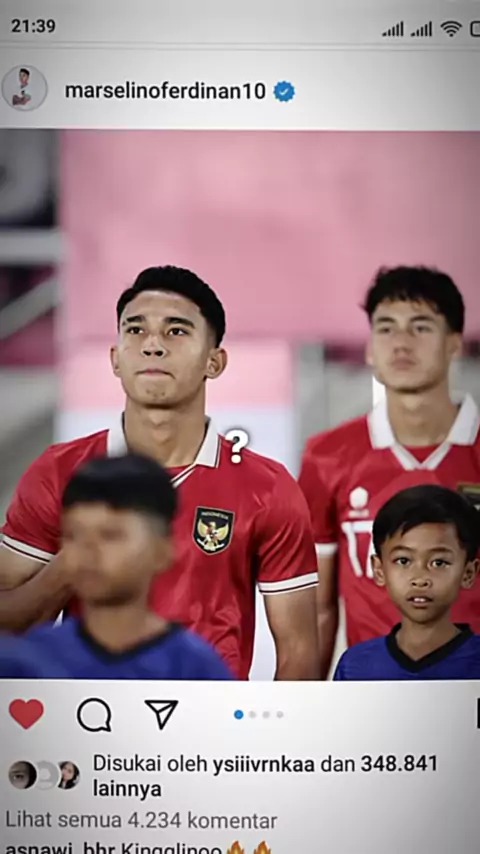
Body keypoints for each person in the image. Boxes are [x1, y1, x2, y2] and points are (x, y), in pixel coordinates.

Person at [0, 266, 319, 680]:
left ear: (214, 361)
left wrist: (253, 726)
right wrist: (74, 560)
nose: (152, 345)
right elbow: (7, 622)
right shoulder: (58, 471)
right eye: (135, 330)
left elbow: (298, 649)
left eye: (176, 331)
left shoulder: (268, 487)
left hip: (211, 714)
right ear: (115, 359)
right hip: (84, 713)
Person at [298, 265, 480, 678]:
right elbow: (318, 607)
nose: (401, 342)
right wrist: (306, 702)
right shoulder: (326, 456)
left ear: (454, 344)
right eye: (386, 328)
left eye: (420, 326)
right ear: (368, 349)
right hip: (373, 692)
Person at [0, 454, 233, 679]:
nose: (88, 551)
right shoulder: (22, 664)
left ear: (162, 550)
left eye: (110, 535)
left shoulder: (197, 669)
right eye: (73, 535)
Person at [334, 485, 480, 680]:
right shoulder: (355, 665)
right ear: (379, 569)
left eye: (439, 562)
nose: (420, 579)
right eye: (403, 561)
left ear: (468, 573)